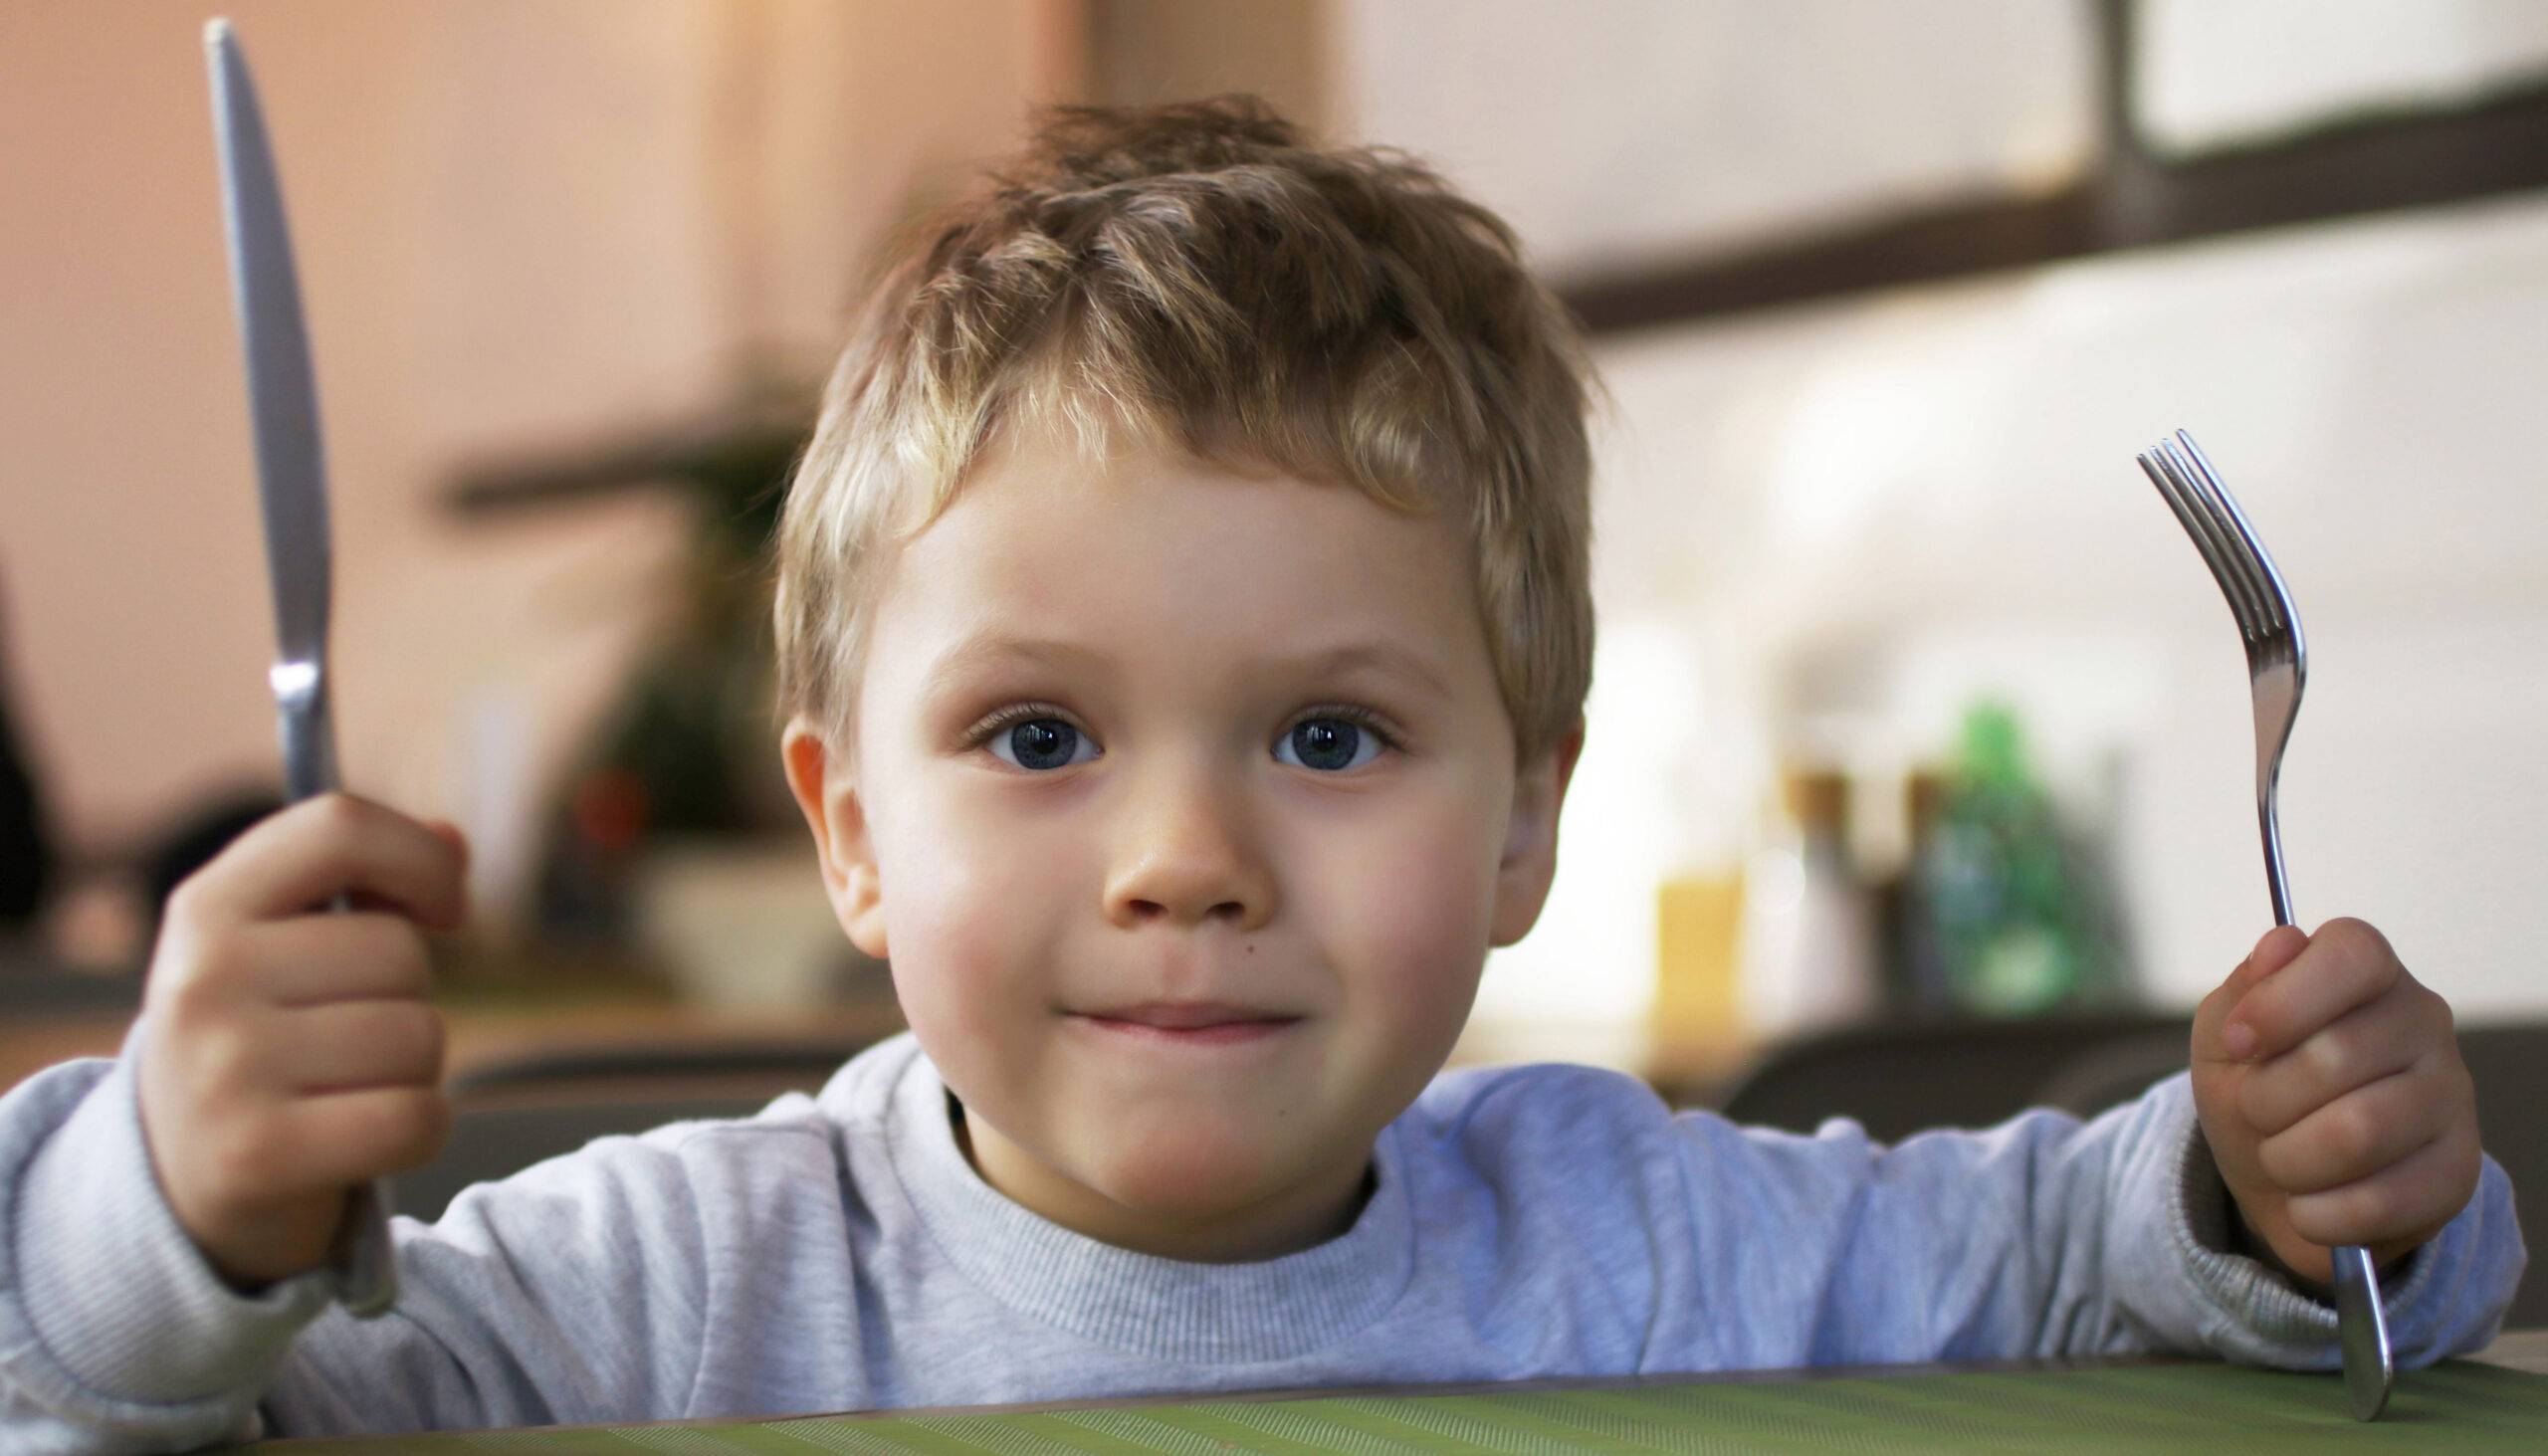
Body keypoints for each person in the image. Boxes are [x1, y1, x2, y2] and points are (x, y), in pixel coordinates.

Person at [0, 98, 2521, 1449]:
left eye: (1329, 737)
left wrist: (2282, 1191)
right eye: (1035, 738)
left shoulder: (1642, 1246)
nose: (1188, 862)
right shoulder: (678, 1284)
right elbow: (122, 1409)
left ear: (1525, 820)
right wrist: (179, 1212)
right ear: (850, 826)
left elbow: (2089, 1265)